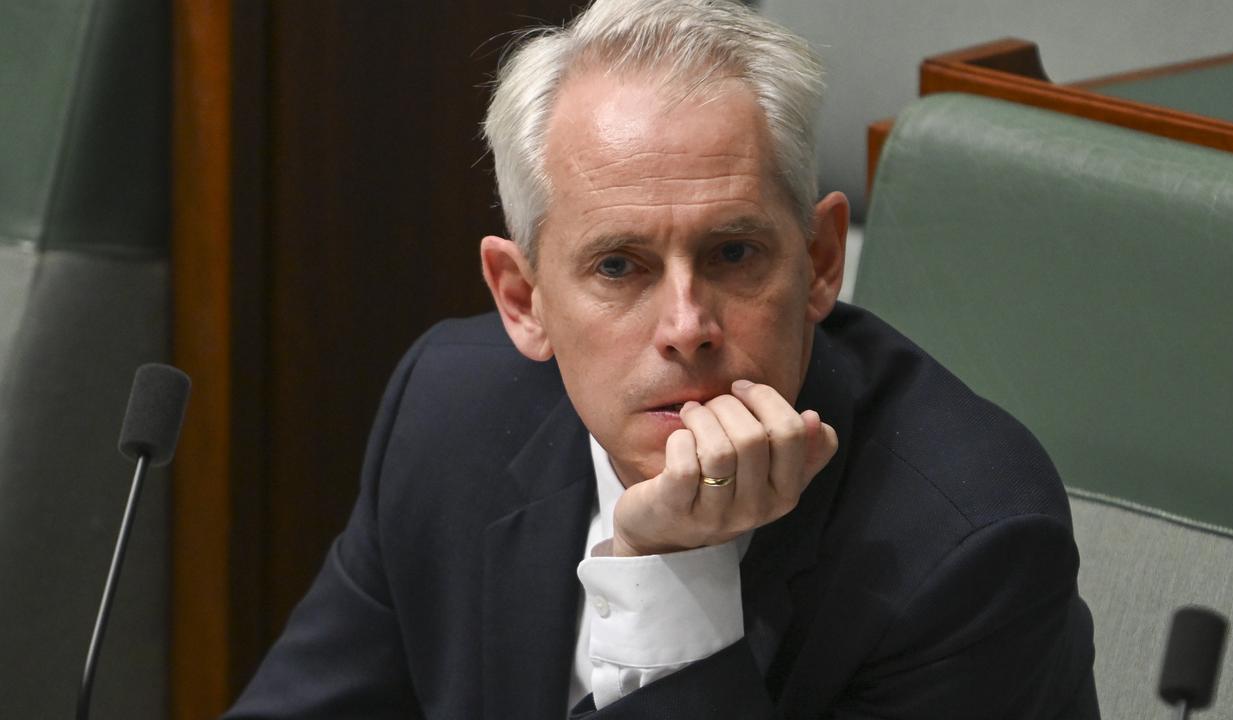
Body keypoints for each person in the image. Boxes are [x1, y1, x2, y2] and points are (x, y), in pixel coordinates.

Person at [225, 0, 1099, 717]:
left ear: (821, 260)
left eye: (733, 254)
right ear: (523, 300)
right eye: (619, 266)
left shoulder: (969, 546)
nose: (687, 326)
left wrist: (670, 579)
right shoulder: (449, 412)